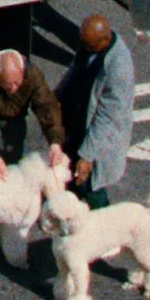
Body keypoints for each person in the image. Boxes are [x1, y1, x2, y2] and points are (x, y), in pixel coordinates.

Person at [56, 13, 136, 209]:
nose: (84, 48)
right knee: (70, 174)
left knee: (89, 185)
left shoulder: (118, 68)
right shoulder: (90, 44)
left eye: (89, 46)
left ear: (105, 40)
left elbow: (106, 118)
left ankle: (106, 226)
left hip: (96, 134)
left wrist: (87, 156)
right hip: (78, 120)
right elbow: (75, 70)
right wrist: (56, 97)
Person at [0, 48, 66, 171]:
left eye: (17, 82)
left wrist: (55, 141)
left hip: (14, 116)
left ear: (22, 71)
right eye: (8, 84)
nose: (13, 88)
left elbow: (47, 106)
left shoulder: (32, 74)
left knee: (14, 155)